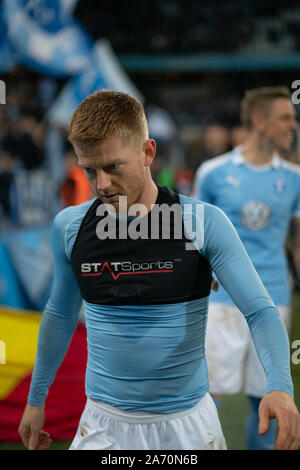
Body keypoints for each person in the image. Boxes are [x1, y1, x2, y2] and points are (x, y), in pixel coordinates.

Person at [18, 90, 300, 451]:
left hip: (187, 427)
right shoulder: (70, 227)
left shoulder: (202, 223)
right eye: (90, 170)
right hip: (103, 425)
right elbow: (59, 315)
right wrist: (35, 400)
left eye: (112, 167)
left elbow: (260, 311)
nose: (101, 184)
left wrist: (279, 386)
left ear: (147, 152)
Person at [193, 86, 300, 450]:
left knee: (266, 396)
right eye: (285, 117)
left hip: (273, 299)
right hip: (222, 301)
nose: (293, 124)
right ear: (259, 121)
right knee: (208, 396)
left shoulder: (294, 178)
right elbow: (195, 238)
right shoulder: (213, 172)